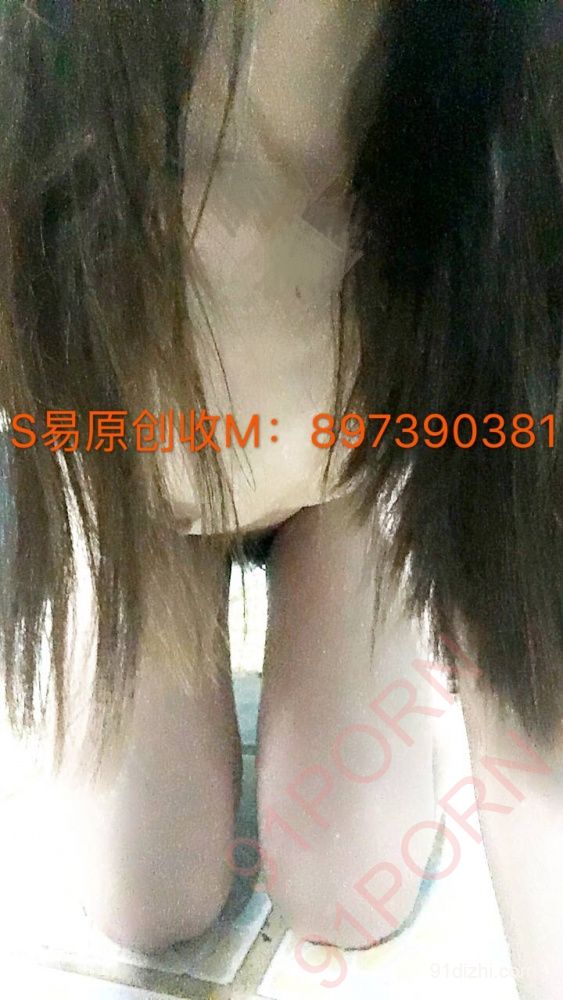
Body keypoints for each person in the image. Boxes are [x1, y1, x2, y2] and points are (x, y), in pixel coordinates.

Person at [0, 2, 561, 997]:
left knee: (347, 884)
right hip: (130, 475)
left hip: (347, 463)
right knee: (146, 894)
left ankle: (360, 534)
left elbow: (529, 693)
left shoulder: (508, 61)